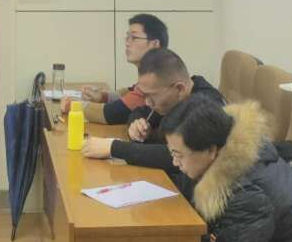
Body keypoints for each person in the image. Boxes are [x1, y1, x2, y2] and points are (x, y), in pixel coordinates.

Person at [162, 95, 292, 242]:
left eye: (178, 155)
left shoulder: (246, 194)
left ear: (211, 150)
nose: (175, 162)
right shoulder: (230, 157)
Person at [82, 47, 224, 168]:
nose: (147, 102)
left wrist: (114, 148)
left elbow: (179, 157)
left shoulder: (206, 108)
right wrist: (137, 124)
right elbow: (140, 111)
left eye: (151, 96)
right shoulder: (172, 97)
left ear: (179, 89)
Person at [66, 13, 168, 124]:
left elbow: (111, 113)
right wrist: (101, 96)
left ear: (155, 44)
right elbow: (130, 92)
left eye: (134, 38)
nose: (127, 43)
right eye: (127, 37)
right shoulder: (154, 71)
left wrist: (73, 106)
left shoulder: (157, 80)